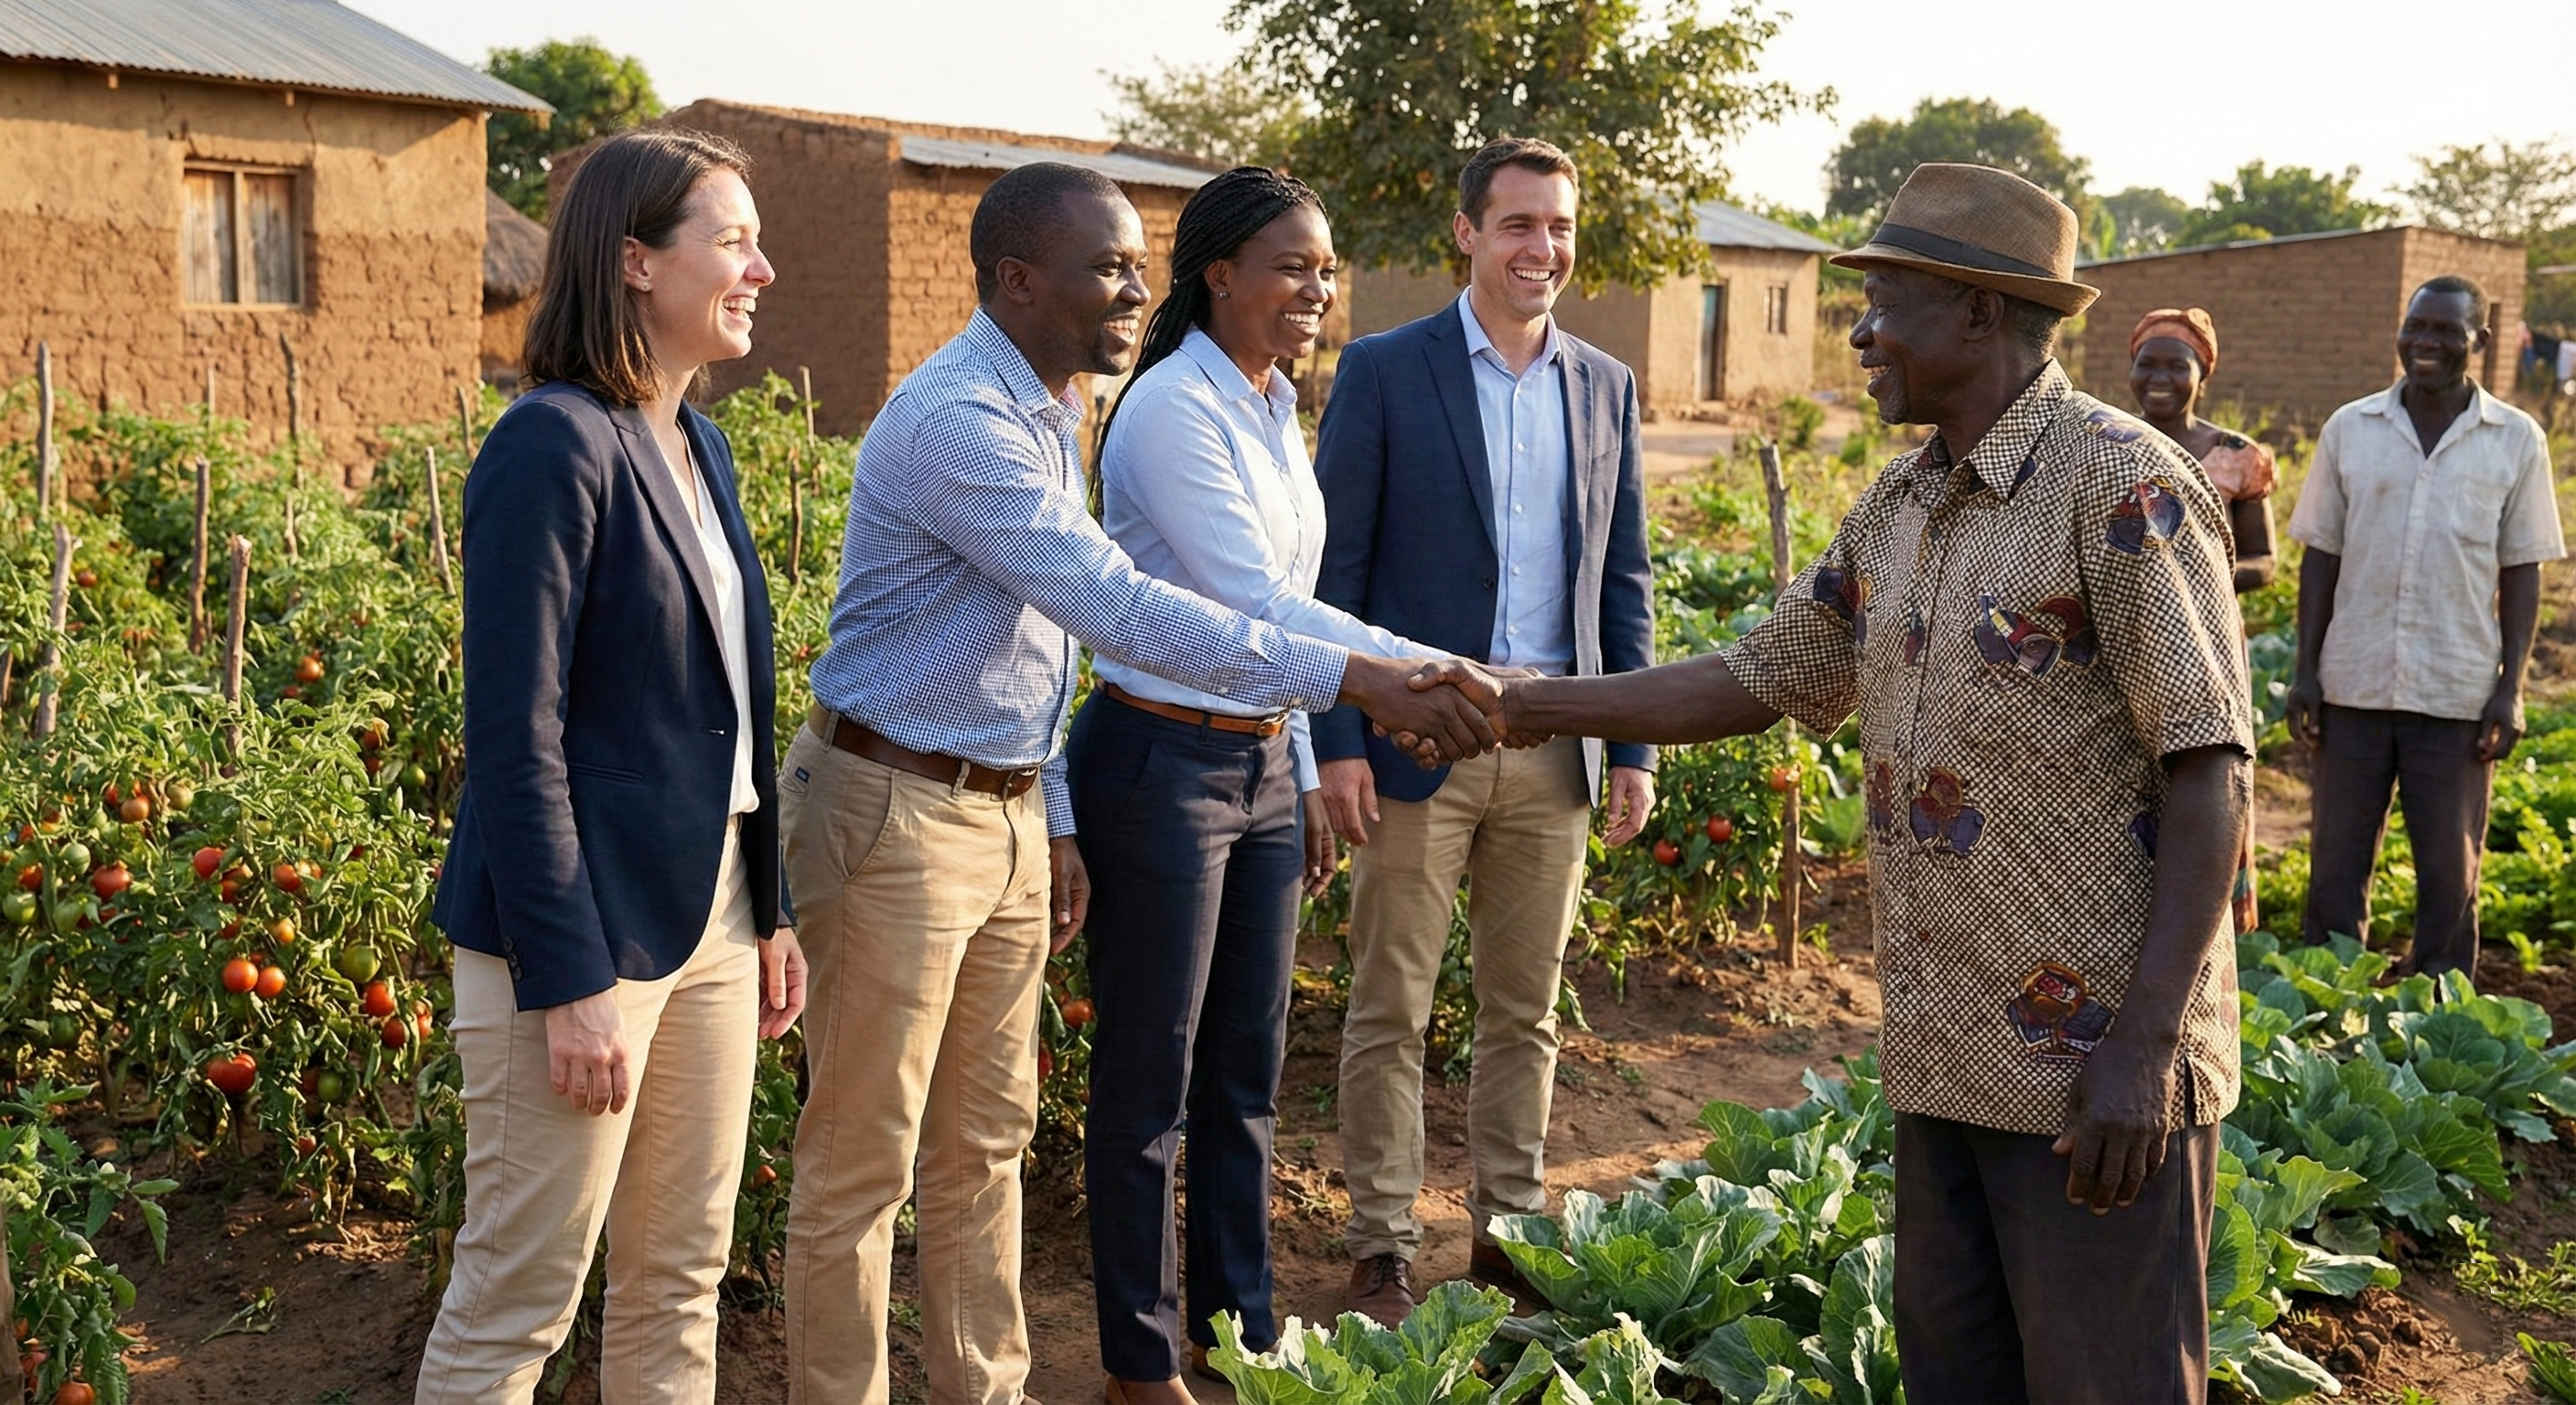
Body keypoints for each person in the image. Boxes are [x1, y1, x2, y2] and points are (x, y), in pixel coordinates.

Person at [1412, 163, 2255, 1404]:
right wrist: (1522, 705)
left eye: (1886, 301)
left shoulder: (2116, 482)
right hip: (1945, 1057)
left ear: (1976, 313)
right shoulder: (1904, 501)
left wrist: (2144, 1050)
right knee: (1955, 1376)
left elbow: (2212, 769)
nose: (1858, 330)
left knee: (2105, 1385)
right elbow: (1757, 676)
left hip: (2089, 1087)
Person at [778, 160, 1497, 1405]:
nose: (1132, 287)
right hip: (894, 809)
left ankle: (985, 1388)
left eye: (1134, 263)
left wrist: (1045, 810)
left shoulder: (1053, 409)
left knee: (987, 1144)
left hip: (996, 801)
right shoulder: (965, 418)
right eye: (1107, 264)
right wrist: (1363, 682)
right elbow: (1114, 606)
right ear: (1016, 279)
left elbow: (1035, 651)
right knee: (863, 1166)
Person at [417, 128, 808, 1404]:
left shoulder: (700, 447)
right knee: (520, 1300)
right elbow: (512, 741)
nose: (762, 264)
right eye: (733, 238)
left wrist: (773, 908)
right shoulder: (554, 445)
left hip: (715, 921)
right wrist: (568, 980)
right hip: (580, 938)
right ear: (637, 261)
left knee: (678, 1281)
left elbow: (730, 709)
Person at [1076, 166, 1439, 1405]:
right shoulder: (1174, 409)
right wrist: (1422, 670)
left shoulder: (1277, 406)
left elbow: (1279, 619)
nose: (1317, 290)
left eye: (1326, 270)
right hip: (1161, 760)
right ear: (1218, 274)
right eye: (1292, 266)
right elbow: (1253, 603)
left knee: (1245, 1070)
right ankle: (1139, 1356)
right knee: (1149, 1079)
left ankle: (1238, 1333)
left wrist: (1293, 756)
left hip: (1254, 761)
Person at [1308, 134, 1658, 1325]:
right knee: (1391, 1002)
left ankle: (1508, 1238)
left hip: (1555, 743)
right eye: (1518, 225)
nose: (1541, 248)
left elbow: (1624, 577)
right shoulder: (1386, 370)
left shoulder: (1605, 385)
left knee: (1527, 1006)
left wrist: (1633, 746)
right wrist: (1339, 738)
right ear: (1467, 233)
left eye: (1558, 227)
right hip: (1414, 742)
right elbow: (1333, 567)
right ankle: (1383, 1245)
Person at [2287, 276, 2565, 977]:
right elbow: (2321, 558)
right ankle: (2331, 1004)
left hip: (2457, 694)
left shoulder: (2515, 440)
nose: (2426, 343)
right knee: (2334, 870)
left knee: (2450, 874)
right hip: (2353, 686)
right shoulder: (2352, 428)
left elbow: (2523, 569)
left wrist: (2512, 689)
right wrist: (2306, 672)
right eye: (2416, 327)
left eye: (2445, 331)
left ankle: (2442, 1011)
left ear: (2480, 342)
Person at [2129, 306, 2275, 934]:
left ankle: (2204, 918)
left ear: (2202, 375)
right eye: (2147, 364)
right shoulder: (2109, 445)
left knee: (2208, 771)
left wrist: (2198, 577)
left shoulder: (2237, 457)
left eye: (2176, 365)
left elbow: (2266, 562)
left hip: (2208, 643)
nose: (2160, 377)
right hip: (2127, 639)